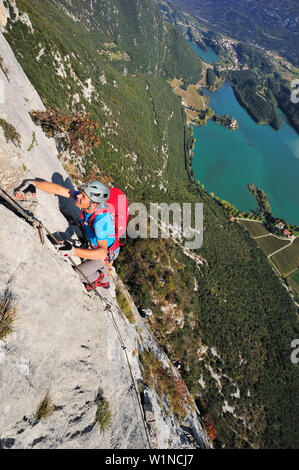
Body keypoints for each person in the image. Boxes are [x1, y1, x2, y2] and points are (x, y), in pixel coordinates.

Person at [14, 179, 115, 290]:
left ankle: (102, 278)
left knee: (76, 275)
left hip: (104, 254)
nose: (78, 196)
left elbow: (102, 252)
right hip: (93, 243)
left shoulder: (101, 220)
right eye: (81, 193)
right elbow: (59, 190)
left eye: (83, 197)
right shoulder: (87, 201)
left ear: (94, 204)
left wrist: (74, 251)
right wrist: (33, 183)